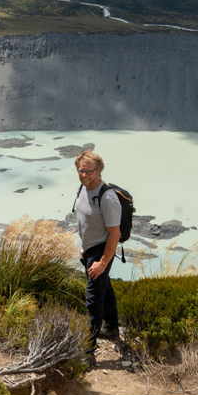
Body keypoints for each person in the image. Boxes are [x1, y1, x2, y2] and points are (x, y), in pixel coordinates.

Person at [73, 149, 122, 359]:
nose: (84, 175)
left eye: (88, 171)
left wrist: (102, 263)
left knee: (93, 299)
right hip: (89, 250)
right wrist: (84, 247)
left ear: (99, 170)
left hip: (101, 251)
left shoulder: (107, 197)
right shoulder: (82, 189)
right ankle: (112, 327)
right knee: (105, 287)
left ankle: (88, 350)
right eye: (80, 170)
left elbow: (114, 234)